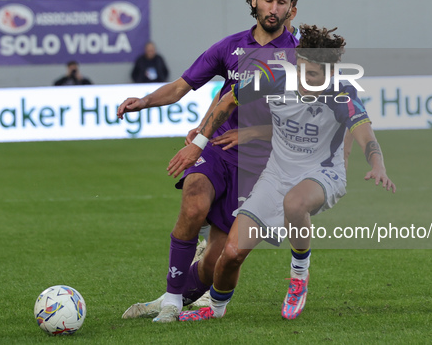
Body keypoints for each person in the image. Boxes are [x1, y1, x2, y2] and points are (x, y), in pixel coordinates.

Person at [169, 25, 396, 322]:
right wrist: (200, 142)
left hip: (323, 174)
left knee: (295, 203)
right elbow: (227, 100)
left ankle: (299, 276)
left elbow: (365, 133)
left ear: (329, 74)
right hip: (275, 176)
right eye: (301, 70)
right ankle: (214, 310)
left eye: (312, 75)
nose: (303, 80)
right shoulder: (275, 77)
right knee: (231, 255)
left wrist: (377, 163)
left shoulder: (341, 94)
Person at [117, 0, 300, 323]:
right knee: (194, 197)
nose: (273, 8)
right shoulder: (228, 47)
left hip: (263, 166)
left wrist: (247, 133)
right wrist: (144, 100)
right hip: (219, 149)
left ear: (292, 8)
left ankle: (172, 299)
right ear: (253, 0)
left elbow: (302, 124)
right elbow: (181, 86)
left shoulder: (300, 58)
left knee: (218, 259)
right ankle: (171, 301)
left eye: (282, 2)